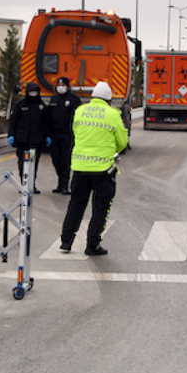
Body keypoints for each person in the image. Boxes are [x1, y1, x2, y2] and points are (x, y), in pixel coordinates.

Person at [60, 81, 128, 256]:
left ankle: (66, 241)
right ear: (109, 100)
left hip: (80, 168)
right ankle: (92, 244)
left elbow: (76, 133)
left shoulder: (80, 111)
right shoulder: (113, 114)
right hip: (103, 170)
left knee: (76, 204)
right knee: (101, 207)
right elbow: (122, 142)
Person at [8, 81, 50, 194]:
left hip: (36, 141)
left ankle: (32, 185)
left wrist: (47, 136)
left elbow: (46, 123)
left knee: (33, 164)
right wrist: (11, 135)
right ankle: (24, 184)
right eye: (31, 91)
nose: (33, 93)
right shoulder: (20, 105)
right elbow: (13, 121)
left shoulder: (41, 106)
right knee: (22, 164)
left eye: (35, 91)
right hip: (22, 140)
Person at [47, 76, 81, 195]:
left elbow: (78, 118)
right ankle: (60, 183)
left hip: (68, 135)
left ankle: (65, 185)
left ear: (67, 87)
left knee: (65, 161)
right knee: (56, 160)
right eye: (59, 85)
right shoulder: (53, 99)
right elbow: (49, 117)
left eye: (63, 85)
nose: (60, 88)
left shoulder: (74, 100)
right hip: (55, 135)